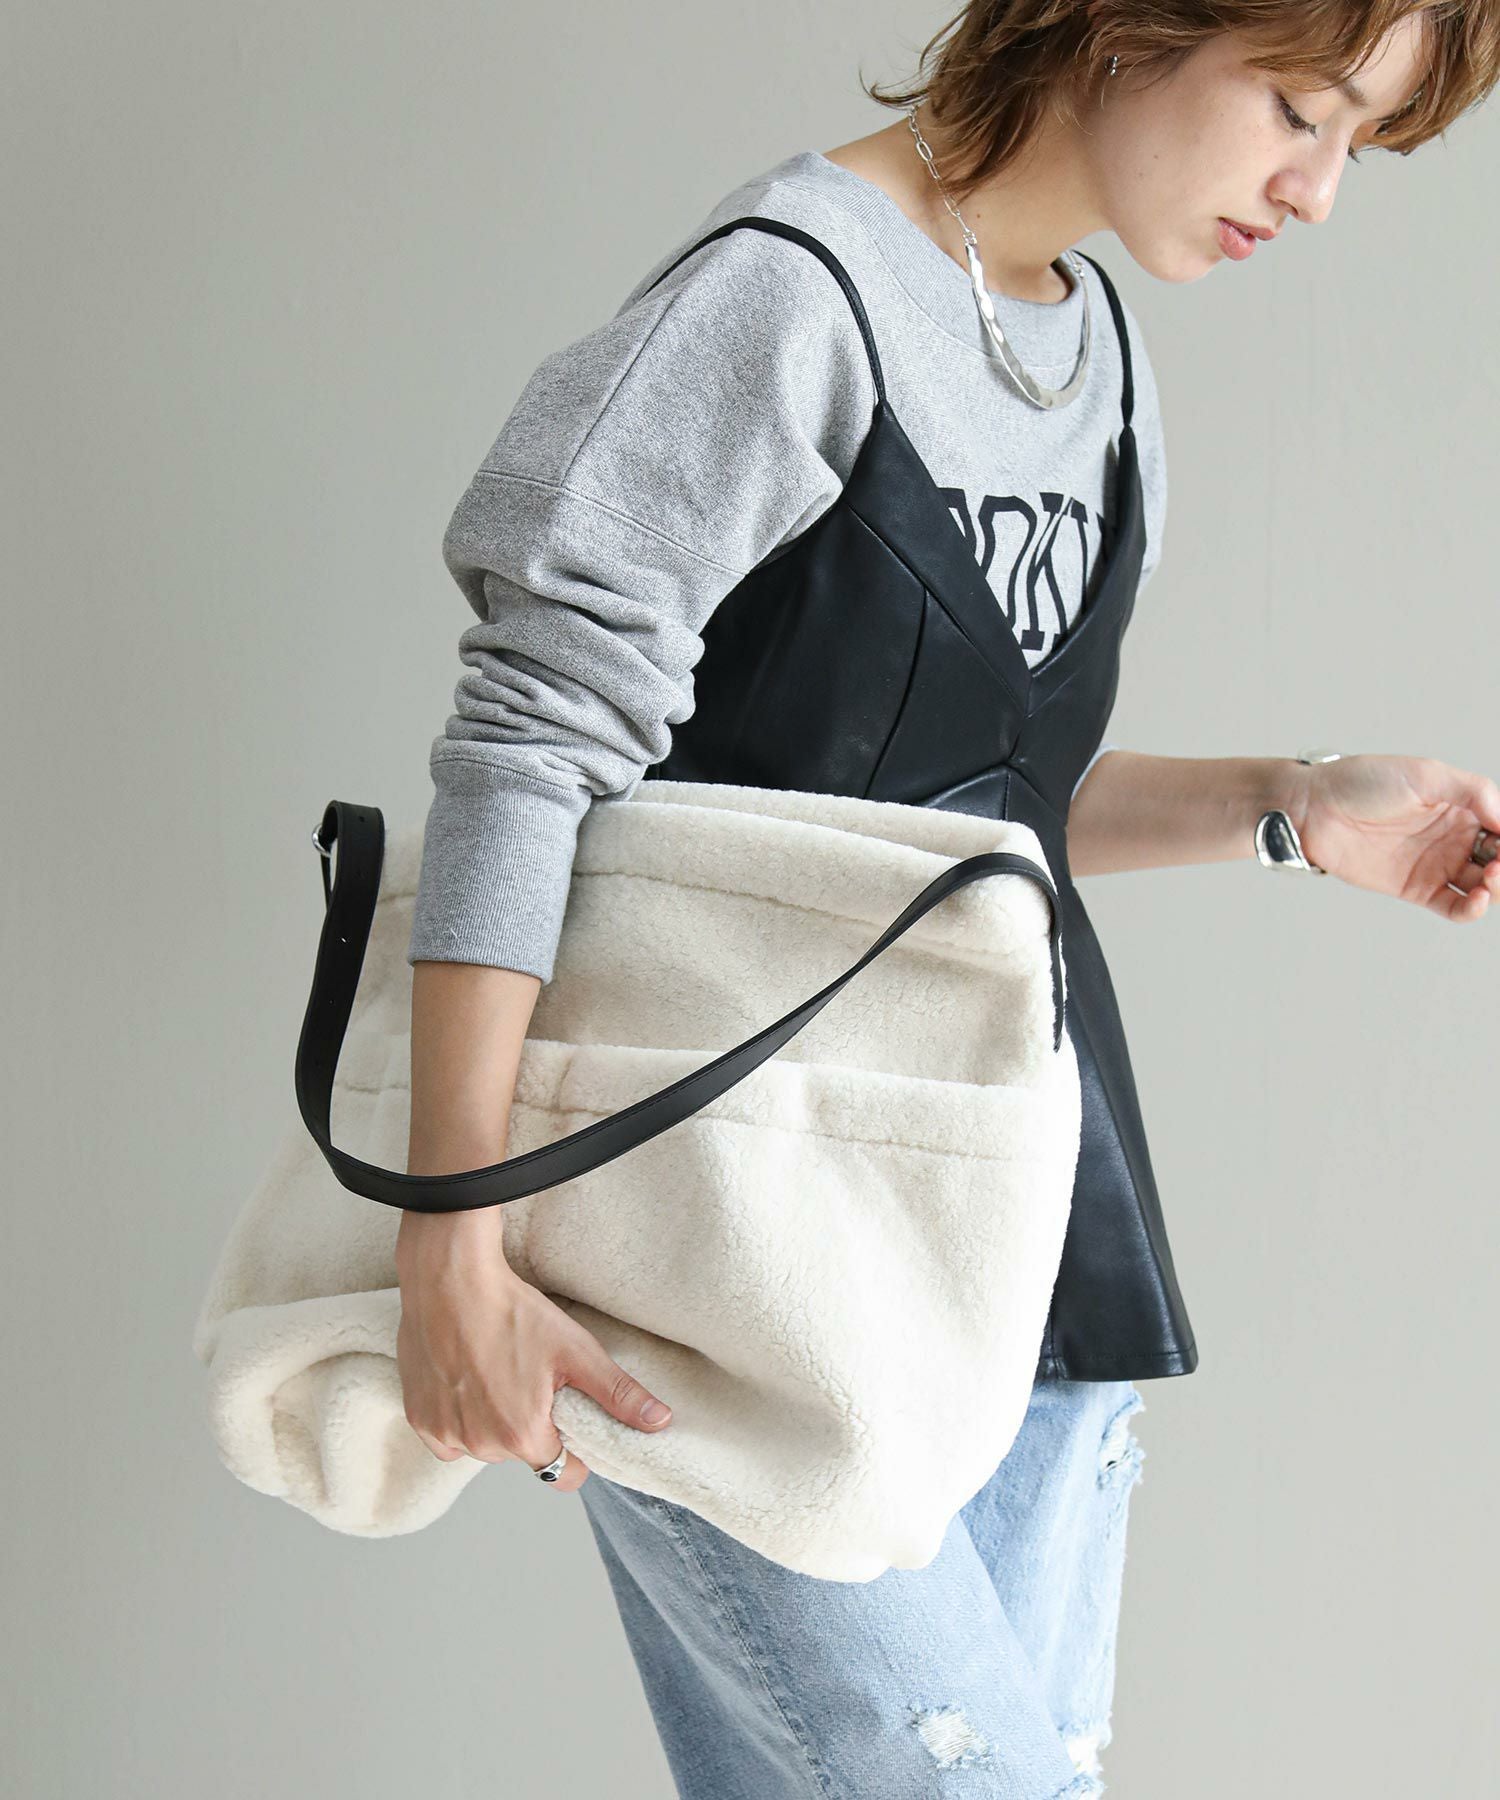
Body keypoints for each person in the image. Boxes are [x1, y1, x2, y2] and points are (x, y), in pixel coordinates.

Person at [395, 4, 1500, 1793]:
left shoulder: (1099, 354)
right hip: (749, 1247)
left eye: (1358, 142)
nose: (1315, 192)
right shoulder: (792, 294)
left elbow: (970, 813)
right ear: (1128, 22)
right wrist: (450, 1226)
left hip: (1035, 1237)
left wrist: (1293, 808)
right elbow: (529, 743)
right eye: (1300, 107)